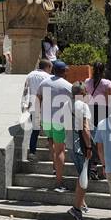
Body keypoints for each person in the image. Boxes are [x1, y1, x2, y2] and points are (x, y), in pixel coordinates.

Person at [43, 60, 74, 192]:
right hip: (59, 120)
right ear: (64, 71)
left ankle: (55, 166)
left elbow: (38, 98)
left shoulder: (44, 82)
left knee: (51, 142)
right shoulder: (68, 86)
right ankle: (59, 182)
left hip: (45, 119)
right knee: (60, 150)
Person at [67, 83, 94, 220]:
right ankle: (76, 208)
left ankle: (81, 203)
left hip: (70, 144)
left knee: (81, 174)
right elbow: (85, 128)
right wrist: (89, 146)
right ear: (83, 93)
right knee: (84, 176)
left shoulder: (67, 104)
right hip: (80, 146)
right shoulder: (83, 106)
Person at [82, 61, 111, 177]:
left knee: (93, 138)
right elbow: (110, 101)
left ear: (93, 69)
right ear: (104, 70)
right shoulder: (107, 83)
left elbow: (85, 96)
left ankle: (93, 166)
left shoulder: (87, 82)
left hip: (90, 111)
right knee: (103, 138)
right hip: (103, 111)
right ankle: (105, 164)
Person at [21, 58, 52, 161]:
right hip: (44, 105)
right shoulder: (48, 77)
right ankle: (49, 144)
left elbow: (26, 91)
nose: (51, 70)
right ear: (47, 67)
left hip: (33, 106)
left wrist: (24, 105)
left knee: (35, 130)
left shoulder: (30, 75)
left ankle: (32, 152)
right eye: (50, 68)